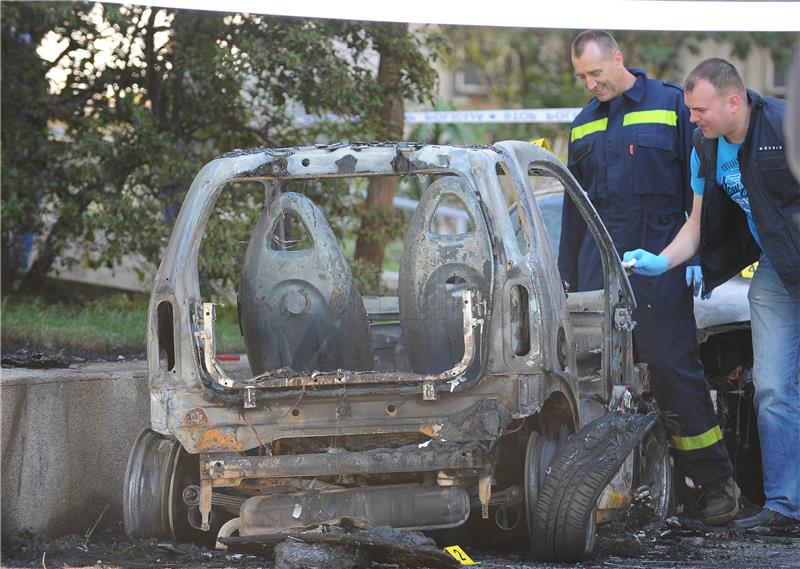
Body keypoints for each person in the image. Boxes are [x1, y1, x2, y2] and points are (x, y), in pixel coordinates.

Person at [560, 31, 739, 525]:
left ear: (619, 59)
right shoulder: (581, 127)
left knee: (672, 370)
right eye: (581, 77)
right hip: (601, 276)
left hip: (661, 268)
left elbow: (703, 188)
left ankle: (714, 485)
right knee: (596, 379)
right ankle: (604, 494)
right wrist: (566, 281)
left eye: (596, 73)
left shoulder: (671, 106)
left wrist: (701, 255)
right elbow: (575, 216)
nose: (590, 84)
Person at [624, 58, 799, 528]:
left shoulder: (786, 126)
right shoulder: (707, 150)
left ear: (733, 101)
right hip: (777, 276)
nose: (693, 119)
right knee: (773, 390)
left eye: (700, 109)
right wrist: (663, 259)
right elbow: (697, 225)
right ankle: (785, 507)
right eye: (689, 110)